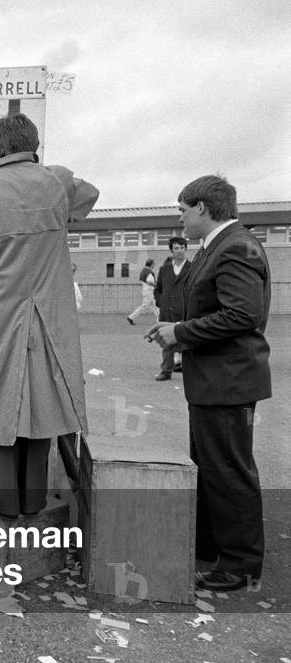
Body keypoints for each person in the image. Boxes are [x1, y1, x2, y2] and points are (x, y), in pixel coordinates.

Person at [0, 113, 99, 518]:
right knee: (43, 406)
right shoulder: (57, 182)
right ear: (34, 145)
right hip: (50, 318)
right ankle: (34, 498)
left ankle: (3, 499)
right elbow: (89, 195)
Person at [147, 175, 269, 591]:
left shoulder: (235, 247)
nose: (179, 218)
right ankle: (210, 545)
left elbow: (242, 315)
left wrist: (180, 333)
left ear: (202, 207)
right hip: (214, 380)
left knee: (229, 472)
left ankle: (240, 565)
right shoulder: (216, 247)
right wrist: (175, 326)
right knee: (210, 468)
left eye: (182, 210)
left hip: (229, 381)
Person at [152, 237, 189, 381]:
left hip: (184, 310)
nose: (179, 251)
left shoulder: (192, 268)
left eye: (181, 248)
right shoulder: (164, 269)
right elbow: (158, 289)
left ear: (186, 249)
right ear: (171, 250)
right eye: (176, 248)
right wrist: (161, 302)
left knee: (186, 340)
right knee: (166, 341)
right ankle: (166, 371)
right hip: (167, 311)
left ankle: (188, 369)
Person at [126, 258, 158, 324]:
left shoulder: (143, 271)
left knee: (154, 305)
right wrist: (155, 285)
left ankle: (160, 320)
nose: (154, 265)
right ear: (151, 264)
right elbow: (149, 281)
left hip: (146, 290)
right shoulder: (149, 272)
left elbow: (142, 280)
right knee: (147, 306)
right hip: (149, 290)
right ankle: (130, 317)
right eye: (153, 264)